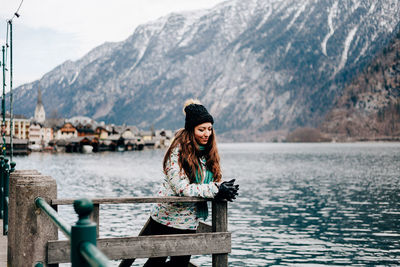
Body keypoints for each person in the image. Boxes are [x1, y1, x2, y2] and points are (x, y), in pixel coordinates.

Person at [143, 99, 239, 267]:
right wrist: (216, 189)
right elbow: (182, 188)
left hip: (188, 222)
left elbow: (211, 182)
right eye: (201, 129)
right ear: (191, 130)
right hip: (166, 219)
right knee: (155, 264)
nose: (206, 134)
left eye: (209, 129)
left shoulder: (207, 153)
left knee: (180, 265)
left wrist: (222, 189)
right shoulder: (177, 152)